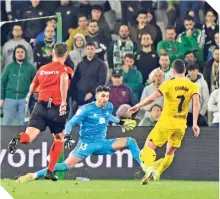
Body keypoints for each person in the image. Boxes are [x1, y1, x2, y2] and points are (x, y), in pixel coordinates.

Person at [16, 86, 142, 183]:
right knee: (66, 166)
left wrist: (120, 122)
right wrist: (67, 135)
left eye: (107, 96)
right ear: (96, 96)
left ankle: (145, 168)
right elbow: (70, 123)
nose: (105, 99)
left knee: (130, 141)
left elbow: (108, 116)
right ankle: (33, 175)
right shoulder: (85, 109)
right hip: (86, 144)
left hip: (102, 143)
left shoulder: (109, 106)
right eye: (103, 96)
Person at [128, 59, 200, 185]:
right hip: (181, 124)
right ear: (185, 71)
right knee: (170, 151)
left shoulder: (168, 84)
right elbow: (196, 105)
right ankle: (158, 172)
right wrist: (194, 123)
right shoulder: (193, 86)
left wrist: (138, 105)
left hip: (167, 121)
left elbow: (152, 98)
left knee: (149, 146)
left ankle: (150, 168)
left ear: (173, 71)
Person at [8, 42, 73, 181]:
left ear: (53, 53)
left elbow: (32, 88)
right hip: (56, 107)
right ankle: (50, 171)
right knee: (59, 138)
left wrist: (43, 89)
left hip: (40, 106)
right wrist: (63, 101)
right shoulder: (66, 70)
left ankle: (19, 138)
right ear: (66, 55)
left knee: (29, 137)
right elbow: (63, 79)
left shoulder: (42, 69)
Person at [0, 45, 36, 125]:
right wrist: (1, 98)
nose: (20, 54)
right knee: (7, 123)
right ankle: (5, 138)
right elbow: (2, 82)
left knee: (25, 124)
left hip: (25, 100)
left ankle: (23, 138)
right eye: (18, 52)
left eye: (22, 52)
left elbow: (36, 83)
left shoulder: (31, 67)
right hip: (9, 98)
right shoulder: (9, 67)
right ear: (14, 54)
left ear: (25, 54)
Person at [69, 42, 107, 107]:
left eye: (92, 49)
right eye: (88, 49)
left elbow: (101, 81)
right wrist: (74, 97)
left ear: (95, 50)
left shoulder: (101, 64)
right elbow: (75, 80)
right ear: (85, 50)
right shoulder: (80, 64)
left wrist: (91, 93)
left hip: (93, 97)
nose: (90, 51)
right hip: (80, 96)